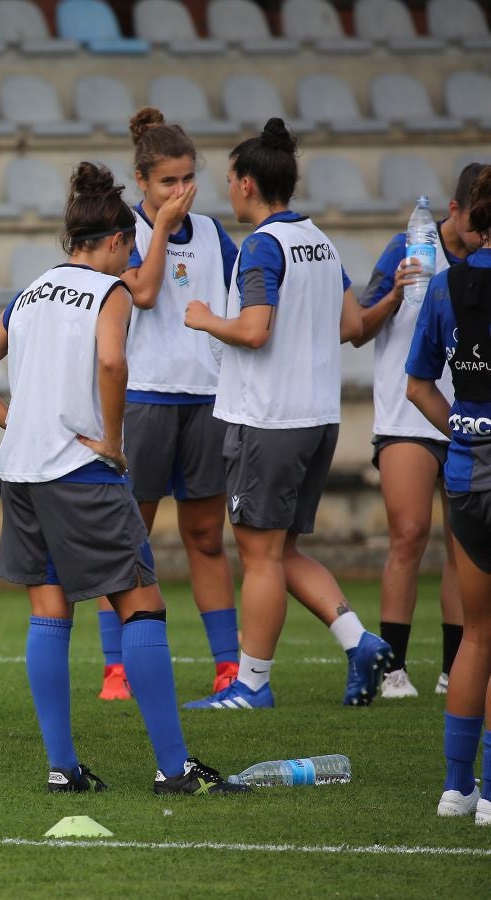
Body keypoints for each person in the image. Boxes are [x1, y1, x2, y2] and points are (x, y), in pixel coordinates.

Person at [0, 163, 248, 796]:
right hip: (81, 472)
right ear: (111, 241)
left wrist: (18, 421)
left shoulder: (31, 292)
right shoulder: (107, 292)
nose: (136, 255)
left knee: (49, 611)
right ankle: (174, 768)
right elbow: (112, 359)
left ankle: (63, 768)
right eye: (132, 244)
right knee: (142, 605)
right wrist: (113, 442)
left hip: (23, 474)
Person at [182, 119, 391, 709]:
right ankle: (359, 641)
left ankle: (250, 684)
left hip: (268, 419)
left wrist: (204, 318)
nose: (227, 189)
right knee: (283, 550)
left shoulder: (261, 246)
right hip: (318, 418)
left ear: (248, 184)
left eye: (229, 179)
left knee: (259, 556)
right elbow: (354, 327)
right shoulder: (322, 242)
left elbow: (254, 330)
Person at [94, 108, 241, 703]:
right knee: (130, 536)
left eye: (187, 180)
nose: (180, 193)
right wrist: (158, 231)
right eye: (167, 182)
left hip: (206, 401)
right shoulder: (122, 232)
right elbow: (146, 293)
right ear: (142, 182)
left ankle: (228, 669)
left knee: (207, 537)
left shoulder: (211, 233)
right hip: (142, 402)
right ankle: (116, 667)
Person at [353, 162, 484, 699]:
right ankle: (393, 669)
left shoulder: (482, 262)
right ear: (453, 211)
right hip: (408, 415)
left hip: (469, 415)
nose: (483, 233)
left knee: (463, 547)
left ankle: (455, 667)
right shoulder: (407, 247)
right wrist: (395, 291)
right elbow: (356, 329)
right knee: (408, 536)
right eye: (478, 222)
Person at [405, 164, 491, 824]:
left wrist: (462, 431)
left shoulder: (442, 288)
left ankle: (455, 787)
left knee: (477, 635)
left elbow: (417, 387)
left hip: (464, 474)